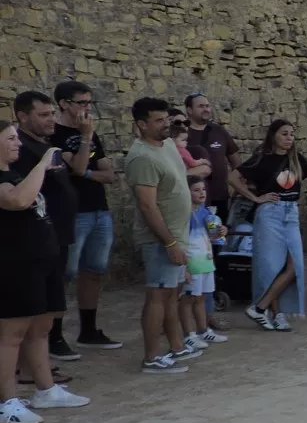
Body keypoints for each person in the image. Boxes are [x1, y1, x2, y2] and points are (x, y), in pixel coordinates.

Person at [0, 119, 92, 423]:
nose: (17, 143)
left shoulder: (12, 173)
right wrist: (42, 164)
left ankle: (46, 390)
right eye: (11, 138)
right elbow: (17, 200)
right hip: (14, 265)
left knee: (41, 327)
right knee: (11, 335)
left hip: (41, 260)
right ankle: (6, 402)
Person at [230, 119, 307, 330]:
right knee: (272, 266)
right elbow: (233, 177)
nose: (289, 138)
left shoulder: (296, 159)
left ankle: (259, 308)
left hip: (291, 212)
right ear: (273, 135)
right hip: (270, 213)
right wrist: (255, 198)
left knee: (295, 266)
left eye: (292, 134)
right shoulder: (261, 159)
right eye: (284, 134)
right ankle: (277, 315)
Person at [124, 97, 201, 373]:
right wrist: (169, 242)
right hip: (159, 240)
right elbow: (147, 205)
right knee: (157, 296)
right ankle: (151, 357)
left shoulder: (167, 144)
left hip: (176, 236)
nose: (166, 124)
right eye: (159, 120)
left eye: (167, 119)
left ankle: (176, 347)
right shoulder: (141, 157)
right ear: (141, 125)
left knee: (171, 294)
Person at [51, 81, 121, 350]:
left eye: (90, 103)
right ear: (64, 103)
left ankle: (88, 330)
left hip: (98, 209)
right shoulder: (56, 134)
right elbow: (79, 166)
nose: (87, 108)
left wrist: (89, 172)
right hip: (73, 212)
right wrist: (85, 139)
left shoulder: (90, 133)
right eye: (82, 103)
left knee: (94, 271)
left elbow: (110, 174)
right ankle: (54, 335)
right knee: (65, 272)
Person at [13, 91, 79, 364]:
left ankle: (40, 366)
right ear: (22, 116)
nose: (51, 119)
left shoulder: (46, 145)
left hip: (57, 236)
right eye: (43, 115)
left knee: (50, 303)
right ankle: (27, 370)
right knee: (32, 308)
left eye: (52, 114)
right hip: (35, 240)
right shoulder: (22, 150)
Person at [180, 176, 228, 352]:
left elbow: (213, 237)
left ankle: (202, 330)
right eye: (196, 190)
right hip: (191, 262)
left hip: (206, 262)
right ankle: (189, 335)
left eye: (203, 189)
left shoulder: (207, 213)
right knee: (187, 299)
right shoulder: (183, 213)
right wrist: (183, 266)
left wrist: (223, 230)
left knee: (201, 298)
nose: (201, 193)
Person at [183, 93, 241, 224]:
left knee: (218, 238)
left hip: (219, 197)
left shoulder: (218, 131)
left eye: (208, 106)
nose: (206, 109)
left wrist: (237, 187)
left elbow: (236, 161)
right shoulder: (182, 134)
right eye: (201, 106)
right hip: (191, 199)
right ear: (189, 110)